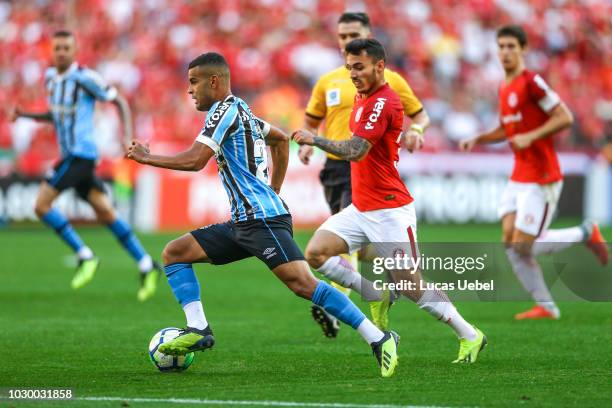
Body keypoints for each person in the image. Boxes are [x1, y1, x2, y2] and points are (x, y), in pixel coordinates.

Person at [126, 52, 400, 377]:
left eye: (194, 82)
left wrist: (147, 157)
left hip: (262, 221)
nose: (190, 91)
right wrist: (273, 191)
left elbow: (196, 160)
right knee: (175, 253)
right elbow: (281, 139)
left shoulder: (222, 110)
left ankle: (380, 337)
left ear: (214, 81)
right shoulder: (242, 111)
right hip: (246, 222)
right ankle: (199, 328)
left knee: (302, 284)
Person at [294, 39, 486, 364]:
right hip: (362, 207)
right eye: (350, 66)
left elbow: (357, 150)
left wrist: (316, 139)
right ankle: (374, 292)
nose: (353, 73)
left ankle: (469, 334)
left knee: (412, 285)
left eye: (360, 66)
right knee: (316, 252)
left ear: (379, 66)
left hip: (389, 210)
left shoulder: (382, 102)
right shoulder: (362, 96)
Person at [459, 25, 608, 320]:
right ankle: (546, 306)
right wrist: (480, 138)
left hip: (542, 175)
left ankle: (584, 232)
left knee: (523, 245)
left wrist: (532, 136)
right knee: (511, 244)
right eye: (501, 46)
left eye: (511, 46)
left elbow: (564, 116)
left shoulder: (532, 82)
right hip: (519, 175)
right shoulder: (505, 87)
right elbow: (508, 127)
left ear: (524, 49)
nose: (505, 52)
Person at [299, 11, 430, 337]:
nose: (345, 41)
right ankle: (394, 268)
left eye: (352, 35)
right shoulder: (328, 80)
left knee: (342, 248)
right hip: (333, 168)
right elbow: (311, 120)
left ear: (369, 35)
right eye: (342, 36)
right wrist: (306, 143)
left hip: (365, 165)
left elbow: (420, 115)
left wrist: (418, 131)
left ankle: (337, 308)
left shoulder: (391, 80)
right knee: (359, 246)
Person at [10, 30, 160, 301]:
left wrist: (126, 137)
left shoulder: (85, 78)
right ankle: (147, 264)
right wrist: (25, 115)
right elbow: (55, 114)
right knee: (105, 212)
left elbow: (119, 101)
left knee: (41, 206)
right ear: (51, 51)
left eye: (67, 47)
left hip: (81, 155)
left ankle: (85, 255)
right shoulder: (51, 79)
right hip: (72, 155)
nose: (62, 52)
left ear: (75, 49)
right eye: (57, 48)